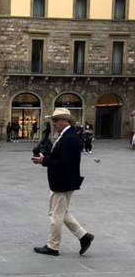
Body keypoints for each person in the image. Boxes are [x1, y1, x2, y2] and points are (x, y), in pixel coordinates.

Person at [32, 109, 94, 256]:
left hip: (63, 181)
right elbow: (60, 156)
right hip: (65, 180)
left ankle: (53, 246)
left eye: (55, 121)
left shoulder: (70, 138)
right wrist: (45, 157)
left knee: (55, 214)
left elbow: (64, 162)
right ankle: (84, 236)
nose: (54, 124)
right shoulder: (67, 135)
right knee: (62, 212)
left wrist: (44, 160)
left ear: (64, 121)